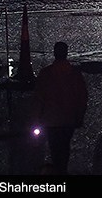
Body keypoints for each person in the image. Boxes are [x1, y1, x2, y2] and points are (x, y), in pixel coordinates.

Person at [31, 41, 88, 175]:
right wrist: (80, 115)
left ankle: (58, 171)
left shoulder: (46, 74)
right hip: (68, 118)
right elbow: (82, 97)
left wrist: (36, 118)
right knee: (65, 147)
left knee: (54, 147)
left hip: (51, 119)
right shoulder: (74, 74)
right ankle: (62, 170)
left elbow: (39, 97)